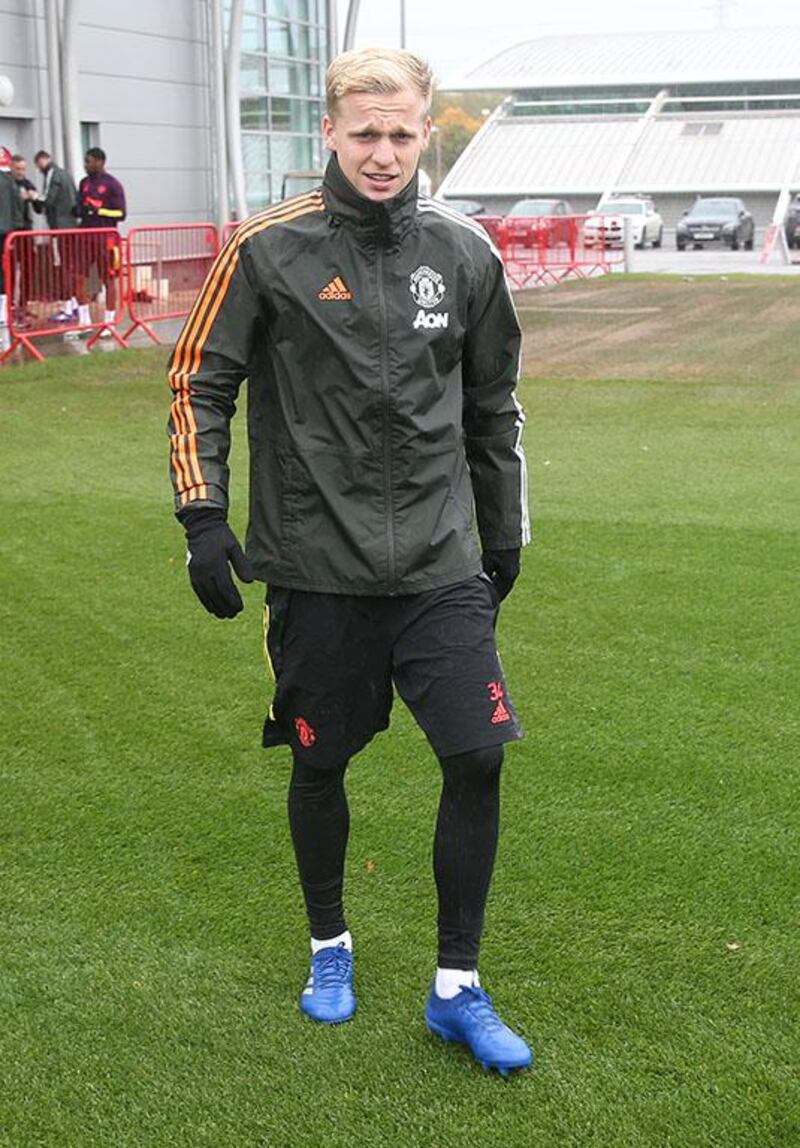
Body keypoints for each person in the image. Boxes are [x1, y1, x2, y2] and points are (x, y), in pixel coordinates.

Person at [167, 47, 532, 1076]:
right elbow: (198, 381)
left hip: (439, 559)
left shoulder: (463, 255)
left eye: (401, 133)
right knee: (321, 761)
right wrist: (202, 517)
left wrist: (499, 532)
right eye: (363, 133)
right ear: (328, 132)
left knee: (477, 754)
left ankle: (455, 985)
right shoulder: (265, 249)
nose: (381, 153)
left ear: (427, 134)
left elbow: (493, 404)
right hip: (317, 567)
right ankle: (330, 946)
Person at [75, 147, 126, 330]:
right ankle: (84, 320)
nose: (86, 165)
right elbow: (80, 206)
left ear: (99, 161)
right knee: (79, 276)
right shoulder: (84, 183)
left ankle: (109, 321)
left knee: (108, 279)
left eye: (88, 161)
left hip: (106, 238)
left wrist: (99, 211)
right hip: (85, 237)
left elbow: (121, 213)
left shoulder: (113, 184)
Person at [32, 150, 80, 322]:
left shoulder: (53, 174)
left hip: (59, 228)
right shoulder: (65, 174)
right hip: (71, 226)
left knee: (63, 266)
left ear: (42, 161)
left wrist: (33, 196)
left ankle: (68, 307)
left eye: (38, 165)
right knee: (71, 266)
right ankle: (75, 304)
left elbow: (48, 199)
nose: (38, 169)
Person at [0, 146, 25, 327]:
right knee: (4, 274)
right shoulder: (12, 183)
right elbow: (19, 210)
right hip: (7, 234)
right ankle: (3, 314)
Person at [11, 155, 36, 230]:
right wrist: (18, 197)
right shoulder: (6, 184)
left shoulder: (28, 184)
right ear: (11, 167)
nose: (21, 172)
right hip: (10, 227)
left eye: (23, 169)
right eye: (18, 169)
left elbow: (39, 209)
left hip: (26, 226)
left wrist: (34, 197)